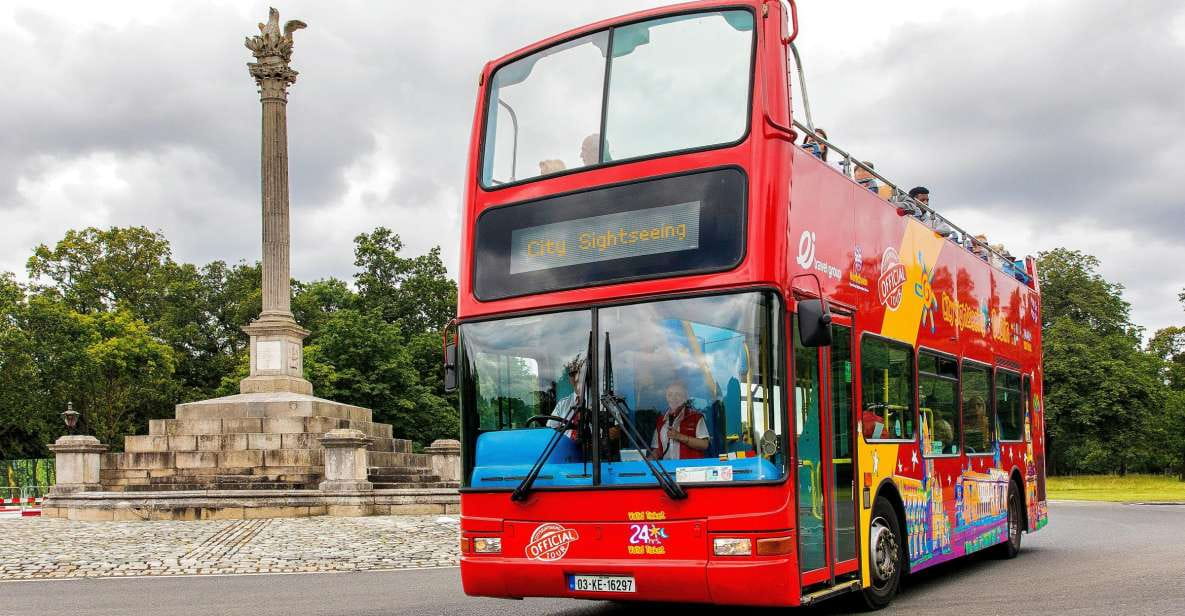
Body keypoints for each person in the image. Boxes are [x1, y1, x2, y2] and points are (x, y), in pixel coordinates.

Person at [650, 381, 709, 460]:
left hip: (689, 469)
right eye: (670, 395)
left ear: (685, 398)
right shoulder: (661, 421)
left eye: (678, 395)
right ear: (666, 398)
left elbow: (704, 444)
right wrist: (645, 463)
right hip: (666, 470)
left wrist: (679, 436)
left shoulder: (696, 417)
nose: (673, 398)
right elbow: (657, 450)